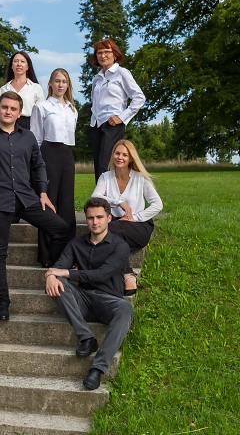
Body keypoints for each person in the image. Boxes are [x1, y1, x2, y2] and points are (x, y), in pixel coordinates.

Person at [0, 91, 69, 321]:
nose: (8, 112)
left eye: (13, 109)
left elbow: (39, 165)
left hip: (26, 198)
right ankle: (3, 304)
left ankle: (54, 272)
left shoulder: (28, 137)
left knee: (61, 228)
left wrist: (42, 192)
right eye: (5, 107)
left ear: (19, 112)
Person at [45, 197, 133, 391]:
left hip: (109, 302)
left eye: (99, 217)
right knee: (58, 283)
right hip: (83, 299)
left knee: (126, 308)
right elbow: (58, 267)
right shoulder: (76, 244)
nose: (95, 222)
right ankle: (87, 338)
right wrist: (51, 276)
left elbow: (102, 274)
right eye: (91, 218)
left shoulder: (120, 246)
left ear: (109, 218)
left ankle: (97, 369)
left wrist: (66, 273)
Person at [91, 140, 162, 295]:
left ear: (131, 158)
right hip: (116, 225)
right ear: (112, 155)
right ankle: (123, 277)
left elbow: (158, 204)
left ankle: (127, 274)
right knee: (108, 233)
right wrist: (119, 202)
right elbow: (95, 197)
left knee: (106, 232)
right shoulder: (105, 177)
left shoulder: (140, 178)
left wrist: (135, 217)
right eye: (117, 153)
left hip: (139, 226)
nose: (120, 157)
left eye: (125, 155)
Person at [31, 68, 78, 266]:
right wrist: (37, 164)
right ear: (50, 83)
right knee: (49, 203)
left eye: (64, 81)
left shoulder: (72, 109)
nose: (60, 85)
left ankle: (68, 254)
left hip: (67, 155)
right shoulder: (41, 107)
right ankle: (47, 255)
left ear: (68, 85)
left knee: (67, 203)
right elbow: (36, 139)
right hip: (48, 154)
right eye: (57, 81)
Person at [89, 38, 146, 182]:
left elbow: (139, 97)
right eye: (99, 53)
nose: (103, 55)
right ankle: (100, 195)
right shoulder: (96, 79)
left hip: (112, 124)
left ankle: (110, 195)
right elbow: (94, 102)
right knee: (98, 165)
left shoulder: (122, 73)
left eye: (107, 52)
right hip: (96, 125)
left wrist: (121, 117)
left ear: (115, 54)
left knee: (106, 164)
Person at [0, 51, 44, 130]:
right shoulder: (4, 89)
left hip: (29, 126)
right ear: (12, 66)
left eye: (22, 61)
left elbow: (41, 114)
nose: (19, 64)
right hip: (7, 125)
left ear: (27, 66)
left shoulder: (36, 88)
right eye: (16, 61)